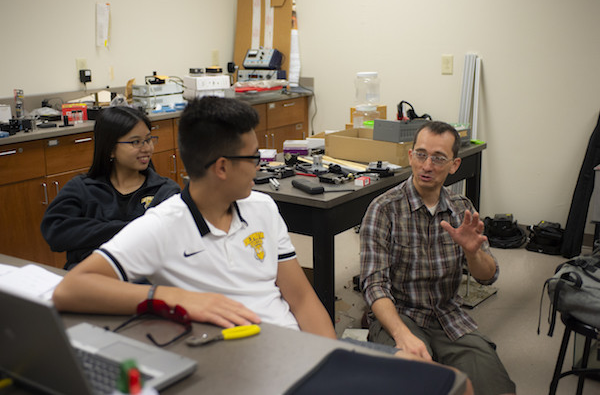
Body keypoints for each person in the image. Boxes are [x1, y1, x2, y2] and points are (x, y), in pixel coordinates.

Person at [52, 96, 337, 338]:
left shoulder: (263, 207)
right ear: (222, 168)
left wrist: (331, 359)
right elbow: (70, 289)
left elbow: (301, 299)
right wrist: (173, 297)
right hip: (238, 357)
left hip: (293, 346)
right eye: (254, 159)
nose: (259, 168)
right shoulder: (162, 225)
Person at [360, 121, 516, 395]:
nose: (427, 165)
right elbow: (374, 285)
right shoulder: (383, 209)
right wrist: (401, 335)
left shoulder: (462, 209)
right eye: (421, 154)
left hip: (449, 317)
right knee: (423, 384)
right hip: (400, 316)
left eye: (438, 158)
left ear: (454, 165)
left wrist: (472, 251)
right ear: (410, 157)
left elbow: (489, 276)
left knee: (496, 388)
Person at [41, 106, 181, 270]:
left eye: (148, 139)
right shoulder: (81, 188)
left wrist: (92, 234)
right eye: (135, 142)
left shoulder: (165, 191)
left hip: (142, 281)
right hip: (86, 280)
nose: (146, 148)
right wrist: (137, 228)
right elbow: (55, 233)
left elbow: (169, 241)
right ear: (110, 149)